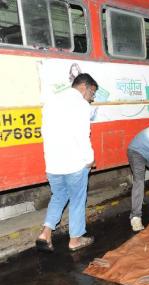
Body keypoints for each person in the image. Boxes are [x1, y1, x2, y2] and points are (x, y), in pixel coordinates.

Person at [36, 73, 98, 252]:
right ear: (85, 87)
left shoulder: (51, 101)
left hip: (53, 163)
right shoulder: (81, 105)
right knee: (77, 200)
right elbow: (82, 136)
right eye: (92, 93)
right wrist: (90, 159)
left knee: (58, 196)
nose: (91, 98)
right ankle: (75, 240)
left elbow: (44, 132)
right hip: (74, 164)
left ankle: (45, 234)